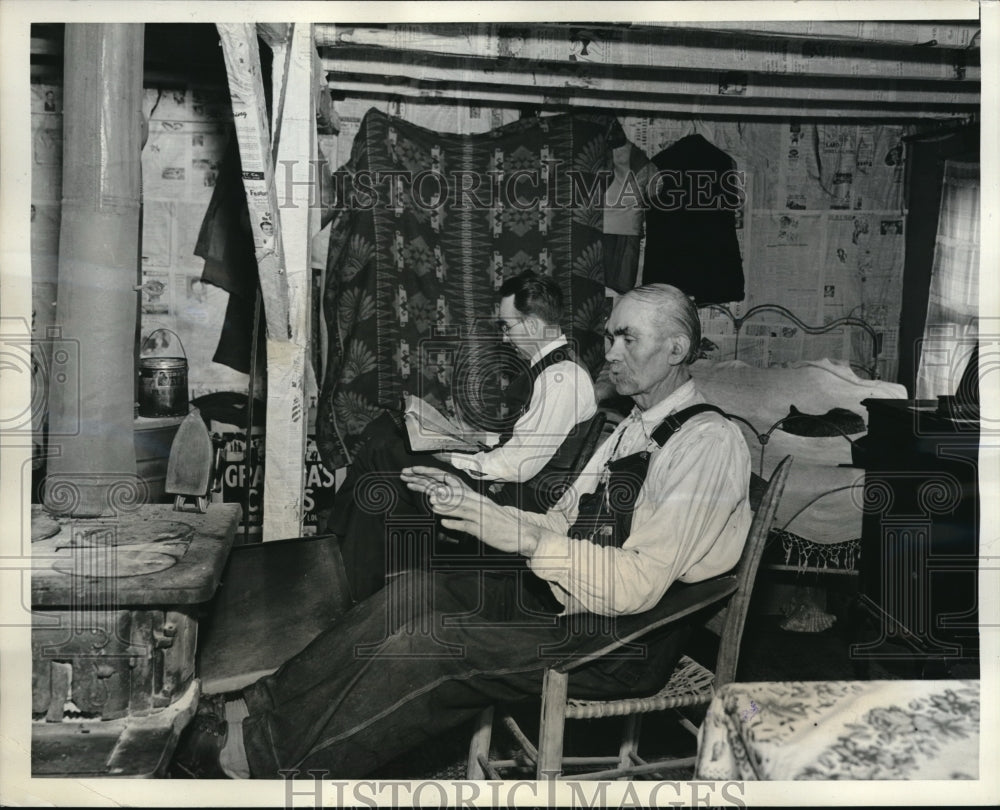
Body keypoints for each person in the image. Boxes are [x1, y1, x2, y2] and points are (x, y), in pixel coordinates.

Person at [173, 283, 751, 779]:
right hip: (573, 600)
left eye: (629, 338)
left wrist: (519, 536)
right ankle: (256, 708)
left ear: (676, 349)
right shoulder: (632, 428)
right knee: (411, 593)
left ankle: (255, 759)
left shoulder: (707, 444)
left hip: (624, 641)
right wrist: (476, 505)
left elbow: (640, 586)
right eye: (609, 337)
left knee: (432, 647)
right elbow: (561, 521)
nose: (611, 352)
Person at [333, 270, 598, 602]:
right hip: (508, 482)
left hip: (515, 500)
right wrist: (467, 435)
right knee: (384, 454)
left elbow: (520, 465)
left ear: (531, 325)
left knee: (383, 449)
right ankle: (353, 578)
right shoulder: (555, 371)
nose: (504, 337)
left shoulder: (562, 379)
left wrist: (454, 456)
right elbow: (520, 441)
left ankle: (333, 553)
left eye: (507, 326)